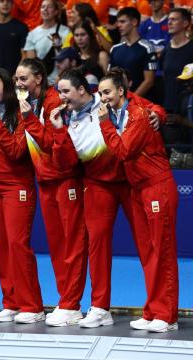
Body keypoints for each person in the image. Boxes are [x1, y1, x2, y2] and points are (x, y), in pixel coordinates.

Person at [49, 69, 148, 328]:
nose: (62, 97)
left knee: (147, 244)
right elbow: (67, 164)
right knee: (97, 245)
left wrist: (158, 115)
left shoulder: (106, 99)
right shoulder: (67, 119)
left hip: (129, 182)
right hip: (97, 185)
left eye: (66, 91)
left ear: (82, 90)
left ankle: (156, 311)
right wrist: (59, 132)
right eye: (59, 92)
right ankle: (101, 307)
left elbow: (146, 107)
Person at [95, 69, 178, 333]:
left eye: (107, 92)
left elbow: (123, 151)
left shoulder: (139, 115)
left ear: (122, 91)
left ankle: (167, 315)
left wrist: (105, 124)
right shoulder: (119, 110)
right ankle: (153, 309)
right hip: (137, 188)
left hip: (156, 187)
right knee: (148, 253)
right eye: (100, 94)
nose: (103, 98)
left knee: (162, 251)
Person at [16, 58, 88, 326]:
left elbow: (50, 143)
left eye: (23, 79)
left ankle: (72, 303)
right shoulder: (32, 104)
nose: (19, 84)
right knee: (58, 247)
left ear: (38, 78)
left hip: (65, 179)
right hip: (45, 180)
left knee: (72, 244)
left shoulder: (52, 101)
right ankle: (65, 301)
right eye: (17, 80)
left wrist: (29, 119)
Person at [0, 68, 44, 324]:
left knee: (18, 246)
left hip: (16, 186)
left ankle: (32, 306)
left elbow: (17, 152)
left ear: (7, 87)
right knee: (3, 248)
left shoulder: (20, 113)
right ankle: (12, 302)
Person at [161, 8, 193, 156]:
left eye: (174, 19)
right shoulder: (166, 50)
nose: (169, 22)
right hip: (170, 112)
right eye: (169, 19)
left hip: (189, 111)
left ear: (186, 23)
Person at [109, 7, 158, 98]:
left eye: (122, 22)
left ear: (134, 22)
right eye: (118, 22)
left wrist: (130, 101)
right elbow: (110, 78)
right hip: (118, 104)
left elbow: (149, 81)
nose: (118, 25)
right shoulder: (115, 49)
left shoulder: (147, 48)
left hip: (143, 104)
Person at [23, 0, 69, 84]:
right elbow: (31, 63)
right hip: (41, 82)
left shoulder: (66, 32)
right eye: (43, 7)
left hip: (61, 81)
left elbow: (70, 60)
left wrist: (58, 47)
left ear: (56, 12)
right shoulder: (32, 34)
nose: (45, 9)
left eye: (49, 7)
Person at [0, 0, 29, 75]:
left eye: (8, 1)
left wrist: (17, 75)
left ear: (13, 4)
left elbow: (25, 56)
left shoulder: (22, 28)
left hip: (14, 78)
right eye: (2, 1)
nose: (5, 4)